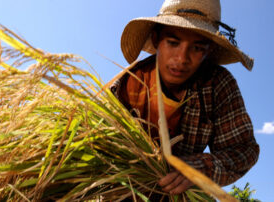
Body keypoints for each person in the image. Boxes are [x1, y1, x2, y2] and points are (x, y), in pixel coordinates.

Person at [110, 0, 260, 196]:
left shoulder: (217, 85)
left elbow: (243, 150)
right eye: (173, 43)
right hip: (126, 190)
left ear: (209, 51)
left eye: (197, 48)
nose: (181, 59)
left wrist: (198, 167)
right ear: (156, 39)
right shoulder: (128, 84)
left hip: (182, 194)